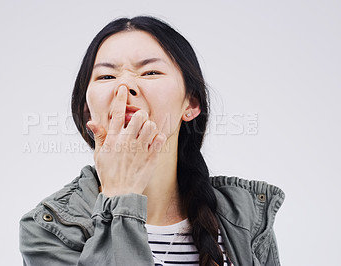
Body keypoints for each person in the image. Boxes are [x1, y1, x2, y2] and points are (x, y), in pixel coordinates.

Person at [19, 16, 285, 266]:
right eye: (106, 77)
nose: (124, 88)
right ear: (87, 109)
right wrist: (122, 197)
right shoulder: (48, 228)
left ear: (191, 103)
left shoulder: (245, 218)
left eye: (150, 73)